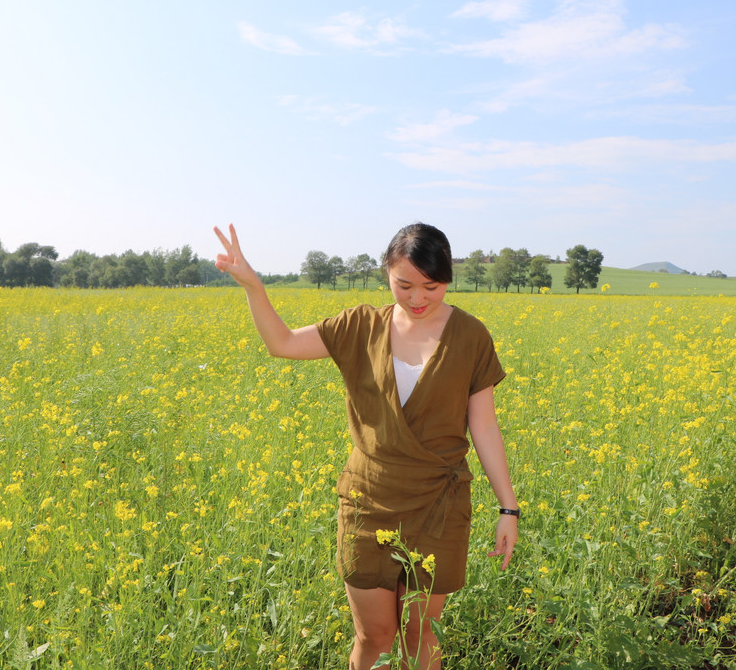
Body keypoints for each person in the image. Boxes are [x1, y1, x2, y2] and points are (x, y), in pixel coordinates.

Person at [214, 222, 519, 670]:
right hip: (368, 500)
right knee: (373, 634)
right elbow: (281, 344)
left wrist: (507, 509)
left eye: (431, 287)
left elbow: (485, 427)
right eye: (405, 285)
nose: (417, 298)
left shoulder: (471, 336)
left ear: (449, 279)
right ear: (386, 275)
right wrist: (253, 287)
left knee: (418, 635)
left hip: (438, 503)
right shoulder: (359, 326)